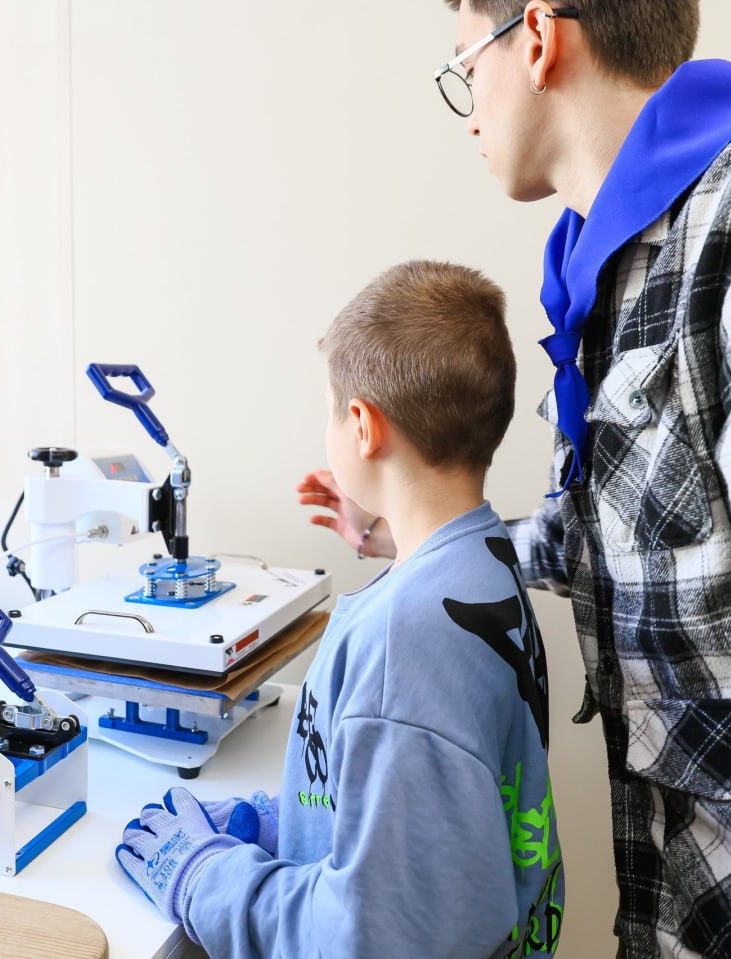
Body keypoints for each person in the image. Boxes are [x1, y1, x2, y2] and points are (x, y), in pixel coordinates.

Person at [298, 2, 731, 956]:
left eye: (465, 66)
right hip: (676, 912)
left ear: (538, 39)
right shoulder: (614, 271)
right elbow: (615, 539)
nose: (468, 109)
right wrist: (408, 531)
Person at [117, 260, 565, 958]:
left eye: (331, 406)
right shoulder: (483, 563)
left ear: (362, 425)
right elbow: (434, 826)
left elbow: (371, 937)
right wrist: (294, 823)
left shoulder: (407, 642)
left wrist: (206, 877)